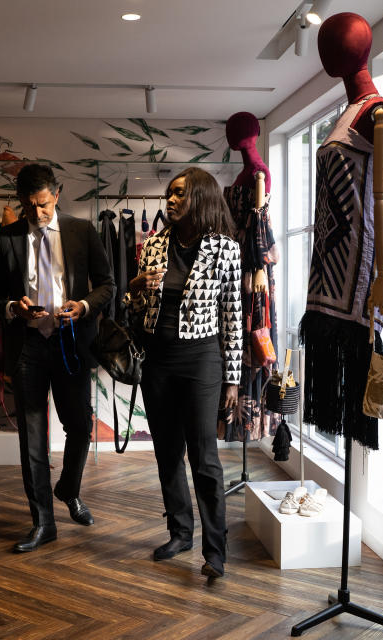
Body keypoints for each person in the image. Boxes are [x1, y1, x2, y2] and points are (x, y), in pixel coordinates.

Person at [0, 164, 114, 553]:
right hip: (28, 347)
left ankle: (69, 489)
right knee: (32, 437)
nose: (37, 214)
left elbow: (108, 285)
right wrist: (13, 307)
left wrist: (84, 306)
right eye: (28, 207)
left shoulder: (81, 231)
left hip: (71, 342)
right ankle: (43, 522)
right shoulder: (4, 238)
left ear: (57, 194)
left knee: (79, 426)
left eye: (42, 205)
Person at [124, 167, 242, 579]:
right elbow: (139, 316)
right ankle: (180, 531)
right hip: (159, 360)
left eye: (179, 194)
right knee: (167, 452)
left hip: (202, 360)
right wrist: (133, 292)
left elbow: (232, 316)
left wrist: (233, 377)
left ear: (201, 198)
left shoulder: (225, 248)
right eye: (169, 195)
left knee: (204, 457)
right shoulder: (153, 244)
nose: (170, 201)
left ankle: (216, 550)